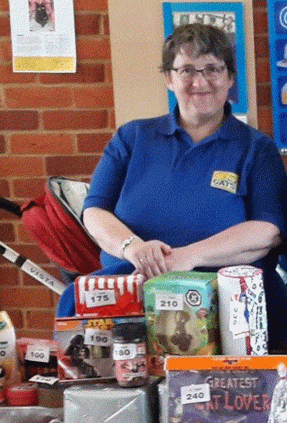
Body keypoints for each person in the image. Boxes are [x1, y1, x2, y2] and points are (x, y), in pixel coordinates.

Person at [56, 23, 287, 352]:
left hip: (229, 305)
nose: (200, 81)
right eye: (187, 70)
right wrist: (133, 248)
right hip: (130, 297)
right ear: (169, 78)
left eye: (213, 69)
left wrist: (188, 257)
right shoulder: (132, 138)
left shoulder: (256, 148)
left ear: (230, 77)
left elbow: (268, 231)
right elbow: (94, 211)